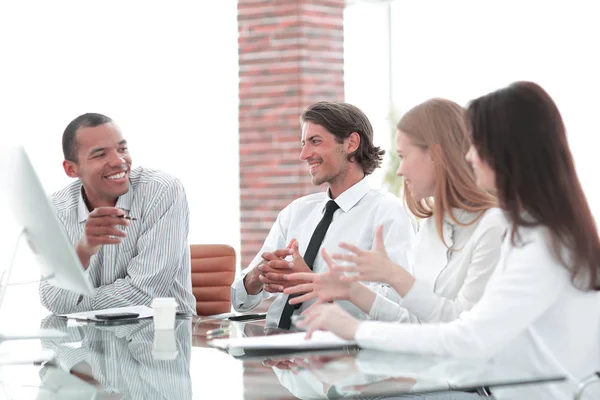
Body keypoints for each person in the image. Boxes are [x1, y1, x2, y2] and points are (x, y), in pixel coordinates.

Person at [295, 82, 600, 399]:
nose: (468, 155)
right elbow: (457, 328)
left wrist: (356, 329)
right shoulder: (530, 233)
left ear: (506, 152)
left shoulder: (541, 242)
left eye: (476, 144)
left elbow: (468, 337)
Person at [284, 98, 505, 324]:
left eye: (403, 156)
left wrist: (392, 275)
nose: (399, 170)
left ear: (435, 155)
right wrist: (351, 292)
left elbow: (463, 328)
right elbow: (414, 322)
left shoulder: (494, 227)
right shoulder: (431, 228)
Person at [231, 101, 414, 328]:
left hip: (340, 353)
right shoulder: (296, 211)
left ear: (351, 143)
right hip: (275, 350)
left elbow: (399, 305)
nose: (304, 154)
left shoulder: (388, 213)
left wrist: (313, 283)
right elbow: (240, 301)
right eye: (303, 144)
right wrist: (257, 276)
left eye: (315, 141)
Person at [39, 113, 197, 315]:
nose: (119, 161)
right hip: (91, 344)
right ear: (71, 169)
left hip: (159, 338)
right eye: (100, 154)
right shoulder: (57, 210)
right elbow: (52, 299)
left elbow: (144, 294)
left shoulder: (161, 191)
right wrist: (83, 252)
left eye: (122, 149)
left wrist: (77, 305)